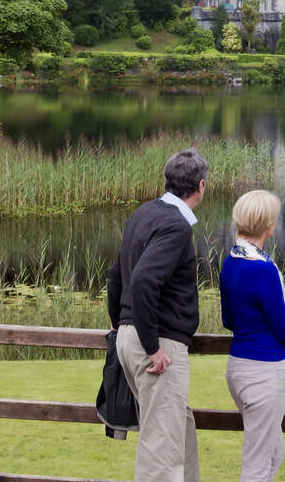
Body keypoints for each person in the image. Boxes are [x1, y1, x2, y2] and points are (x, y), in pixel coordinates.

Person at [108, 147, 209, 482]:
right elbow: (142, 280)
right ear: (201, 187)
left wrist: (121, 328)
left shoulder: (143, 214)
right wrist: (151, 346)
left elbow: (115, 278)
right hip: (156, 343)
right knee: (160, 449)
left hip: (132, 334)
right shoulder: (176, 226)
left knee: (180, 428)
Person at [220, 190, 285, 482]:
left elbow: (228, 320)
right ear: (268, 225)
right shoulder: (263, 269)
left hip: (238, 369)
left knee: (274, 450)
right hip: (264, 373)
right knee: (257, 462)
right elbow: (281, 327)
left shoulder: (231, 261)